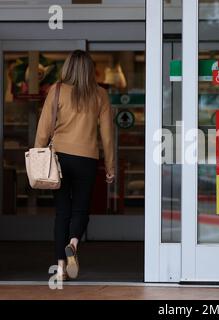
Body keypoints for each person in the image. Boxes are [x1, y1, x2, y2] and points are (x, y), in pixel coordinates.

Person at [35, 50, 115, 281]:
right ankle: (73, 242)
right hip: (87, 159)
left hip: (59, 158)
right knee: (81, 210)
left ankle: (60, 268)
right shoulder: (100, 94)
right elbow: (107, 135)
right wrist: (110, 166)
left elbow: (43, 128)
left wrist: (38, 155)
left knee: (62, 213)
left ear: (68, 67)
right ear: (89, 69)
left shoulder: (57, 91)